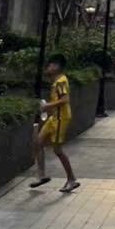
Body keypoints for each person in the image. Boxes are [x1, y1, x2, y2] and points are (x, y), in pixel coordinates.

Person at [29, 53, 79, 193]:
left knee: (57, 150)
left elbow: (64, 99)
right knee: (38, 142)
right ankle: (42, 175)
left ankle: (71, 179)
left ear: (56, 66)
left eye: (50, 65)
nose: (47, 68)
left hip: (61, 118)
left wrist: (47, 106)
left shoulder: (61, 81)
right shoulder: (57, 81)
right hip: (54, 117)